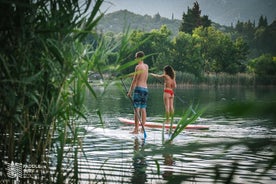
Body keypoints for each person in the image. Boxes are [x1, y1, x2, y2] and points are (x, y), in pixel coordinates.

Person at [127, 51, 148, 134]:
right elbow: (140, 75)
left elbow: (135, 80)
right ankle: (142, 129)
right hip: (145, 89)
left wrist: (130, 91)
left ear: (139, 58)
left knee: (136, 109)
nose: (135, 59)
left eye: (136, 58)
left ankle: (136, 129)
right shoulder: (146, 66)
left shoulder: (138, 67)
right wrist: (131, 75)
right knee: (143, 108)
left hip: (138, 89)